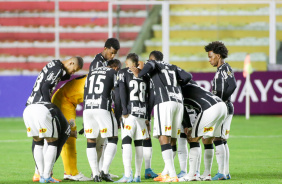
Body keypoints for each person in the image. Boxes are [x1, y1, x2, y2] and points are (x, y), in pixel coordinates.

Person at [130, 59, 192, 182]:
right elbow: (188, 76)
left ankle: (172, 175)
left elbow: (150, 65)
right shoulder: (173, 67)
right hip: (178, 102)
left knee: (163, 137)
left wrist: (139, 74)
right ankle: (167, 172)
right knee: (172, 139)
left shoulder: (154, 63)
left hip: (164, 102)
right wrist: (178, 83)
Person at [26, 57, 83, 182]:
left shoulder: (54, 64)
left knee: (38, 140)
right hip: (42, 105)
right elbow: (46, 86)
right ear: (71, 62)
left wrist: (66, 76)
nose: (73, 73)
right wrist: (49, 106)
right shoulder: (58, 69)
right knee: (64, 132)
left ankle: (38, 174)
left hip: (30, 105)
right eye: (74, 70)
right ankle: (46, 173)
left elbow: (50, 78)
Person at [179, 82, 227, 182]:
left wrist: (187, 125)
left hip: (210, 108)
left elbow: (182, 109)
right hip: (222, 106)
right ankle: (207, 174)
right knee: (207, 140)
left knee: (193, 139)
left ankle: (191, 175)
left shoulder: (179, 90)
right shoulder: (193, 86)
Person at [83, 59, 121, 182]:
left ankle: (95, 174)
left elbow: (85, 93)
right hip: (102, 107)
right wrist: (119, 114)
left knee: (91, 141)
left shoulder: (91, 72)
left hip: (87, 109)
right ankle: (104, 170)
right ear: (115, 67)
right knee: (113, 138)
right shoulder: (112, 72)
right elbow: (118, 92)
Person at [115, 53, 150, 183]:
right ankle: (137, 175)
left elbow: (121, 92)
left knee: (126, 140)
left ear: (127, 63)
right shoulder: (144, 75)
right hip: (142, 113)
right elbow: (149, 96)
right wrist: (147, 114)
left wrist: (123, 110)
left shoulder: (123, 72)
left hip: (129, 113)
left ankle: (127, 174)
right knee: (138, 142)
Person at [205, 41, 237, 180]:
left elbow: (233, 85)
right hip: (223, 107)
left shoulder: (225, 69)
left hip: (224, 107)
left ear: (218, 56)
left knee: (218, 138)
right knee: (221, 140)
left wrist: (221, 100)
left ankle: (222, 173)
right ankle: (225, 171)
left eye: (211, 57)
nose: (209, 59)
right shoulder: (220, 70)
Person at [51, 75, 91, 181]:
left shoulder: (94, 76)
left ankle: (68, 172)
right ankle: (72, 173)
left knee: (67, 136)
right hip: (64, 101)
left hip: (66, 100)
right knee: (70, 135)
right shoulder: (98, 80)